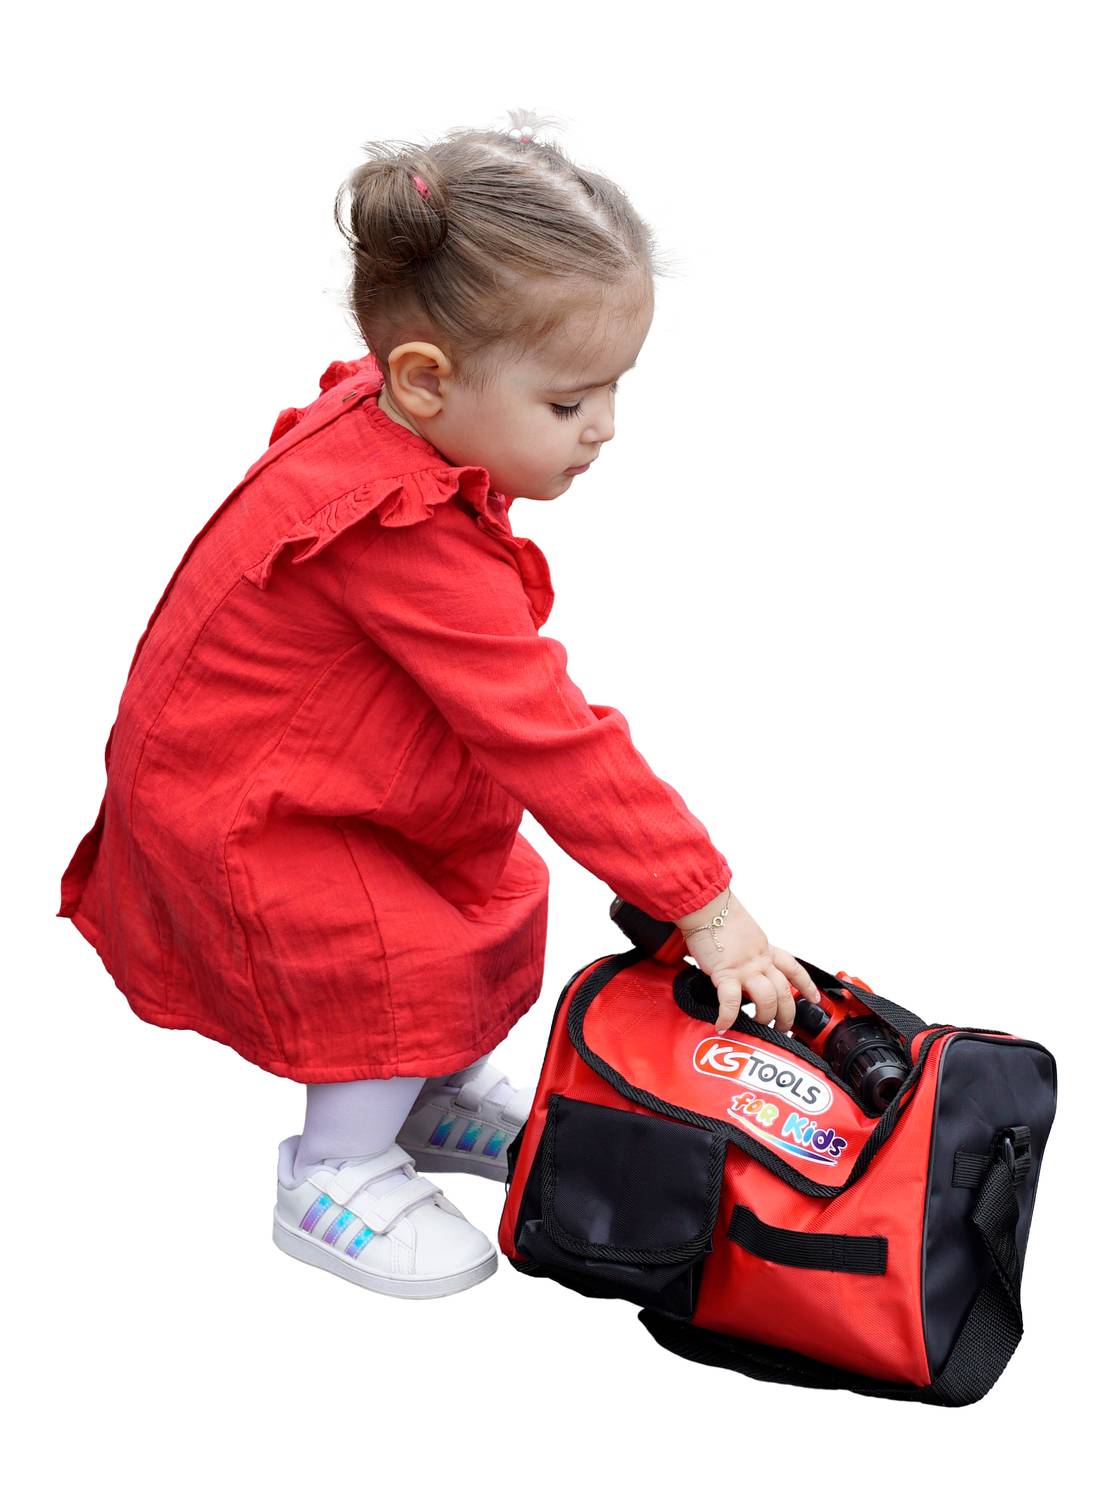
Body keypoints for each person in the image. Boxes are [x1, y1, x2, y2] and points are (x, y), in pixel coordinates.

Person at [56, 108, 820, 1301]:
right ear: (423, 380)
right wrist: (701, 902)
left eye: (614, 390)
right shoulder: (394, 526)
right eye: (570, 404)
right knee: (385, 945)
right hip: (252, 814)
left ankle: (421, 1095)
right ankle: (331, 1172)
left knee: (480, 884)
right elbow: (546, 731)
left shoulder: (400, 427)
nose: (605, 429)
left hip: (328, 770)